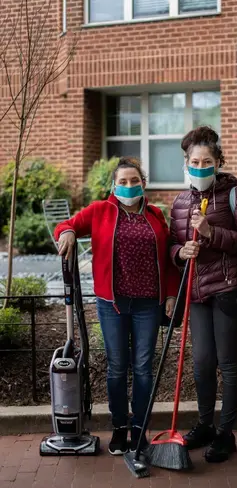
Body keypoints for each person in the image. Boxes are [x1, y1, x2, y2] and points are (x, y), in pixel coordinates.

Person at [54, 157, 179, 456]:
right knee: (117, 368)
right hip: (113, 304)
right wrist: (68, 232)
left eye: (134, 180)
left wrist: (172, 294)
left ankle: (139, 429)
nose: (128, 186)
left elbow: (168, 259)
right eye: (122, 181)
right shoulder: (100, 211)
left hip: (149, 303)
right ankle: (120, 427)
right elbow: (65, 224)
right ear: (113, 185)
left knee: (144, 368)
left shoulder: (155, 215)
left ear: (143, 184)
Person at [170, 126, 237, 463]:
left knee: (228, 363)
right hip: (197, 293)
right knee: (202, 363)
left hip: (229, 290)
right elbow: (172, 246)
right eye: (194, 161)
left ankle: (226, 434)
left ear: (218, 162)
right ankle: (206, 424)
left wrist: (211, 232)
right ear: (186, 162)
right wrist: (181, 252)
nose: (199, 167)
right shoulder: (180, 202)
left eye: (206, 161)